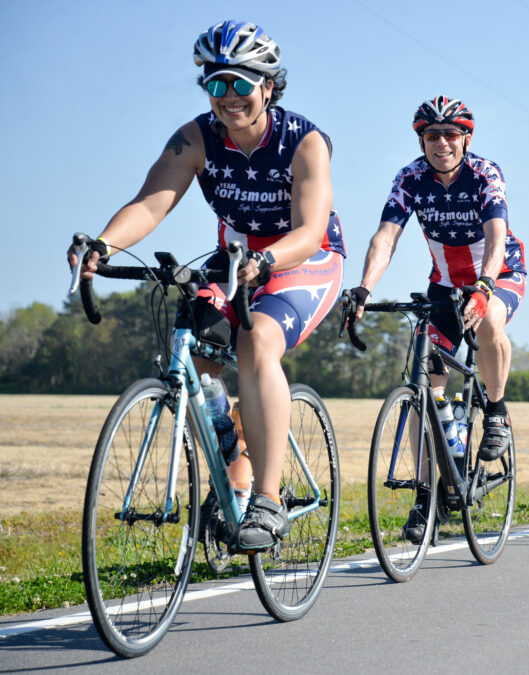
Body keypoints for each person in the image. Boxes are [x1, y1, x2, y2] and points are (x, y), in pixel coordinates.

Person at [67, 20, 346, 550]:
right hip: (234, 258)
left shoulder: (304, 140)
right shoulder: (195, 136)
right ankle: (232, 464)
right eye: (216, 84)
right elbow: (153, 201)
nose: (229, 97)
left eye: (242, 83)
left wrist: (267, 263)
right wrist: (103, 244)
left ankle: (267, 499)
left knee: (258, 339)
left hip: (303, 258)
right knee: (194, 363)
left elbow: (311, 230)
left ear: (268, 85)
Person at [345, 96, 526, 540]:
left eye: (450, 134)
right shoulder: (410, 178)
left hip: (498, 273)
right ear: (421, 140)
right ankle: (428, 495)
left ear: (466, 138)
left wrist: (485, 287)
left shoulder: (485, 174)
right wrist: (364, 287)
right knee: (425, 387)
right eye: (431, 135)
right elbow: (386, 236)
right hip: (444, 285)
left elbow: (496, 235)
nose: (441, 142)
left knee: (488, 326)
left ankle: (497, 412)